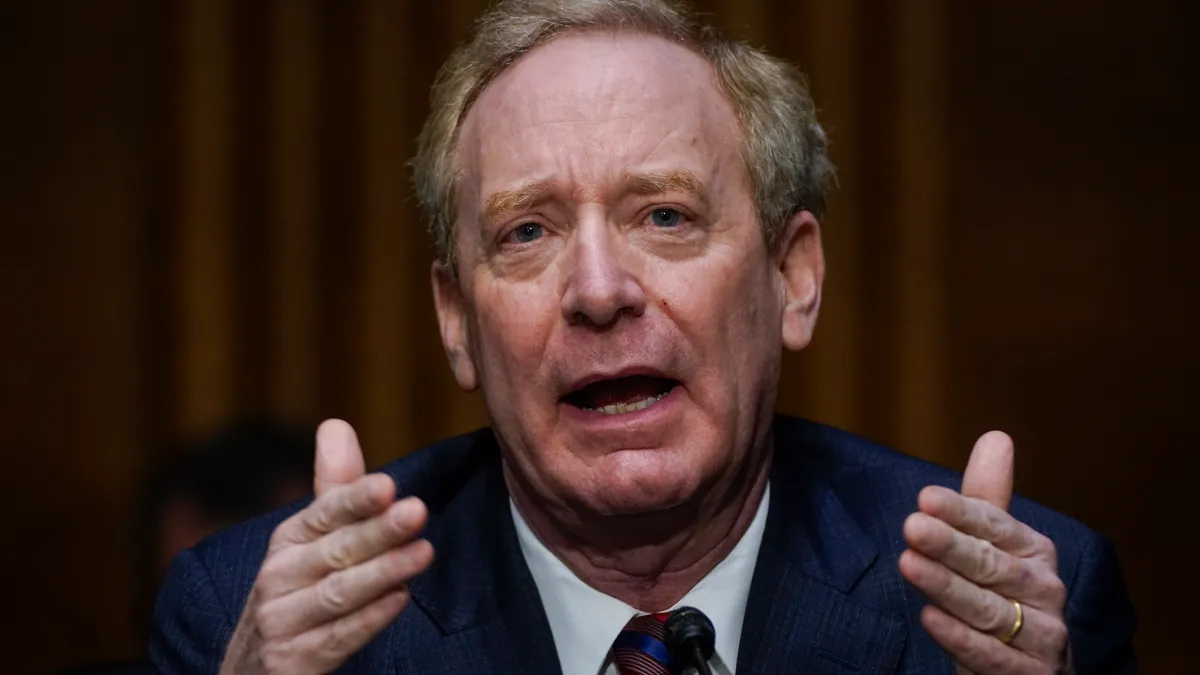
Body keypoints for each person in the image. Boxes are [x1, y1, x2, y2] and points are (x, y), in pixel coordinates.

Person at [150, 1, 1136, 673]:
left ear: (792, 277)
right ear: (456, 321)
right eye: (527, 232)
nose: (597, 289)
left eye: (663, 215)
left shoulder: (1020, 606)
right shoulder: (249, 618)